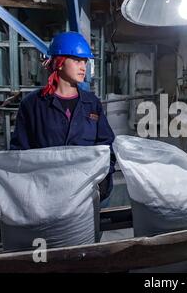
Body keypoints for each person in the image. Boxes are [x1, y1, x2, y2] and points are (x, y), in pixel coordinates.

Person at [10, 31, 115, 205]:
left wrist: (102, 179)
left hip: (87, 192)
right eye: (76, 60)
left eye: (85, 61)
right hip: (47, 194)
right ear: (59, 63)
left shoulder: (91, 103)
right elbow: (20, 152)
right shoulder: (32, 105)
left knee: (87, 233)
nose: (83, 67)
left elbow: (106, 145)